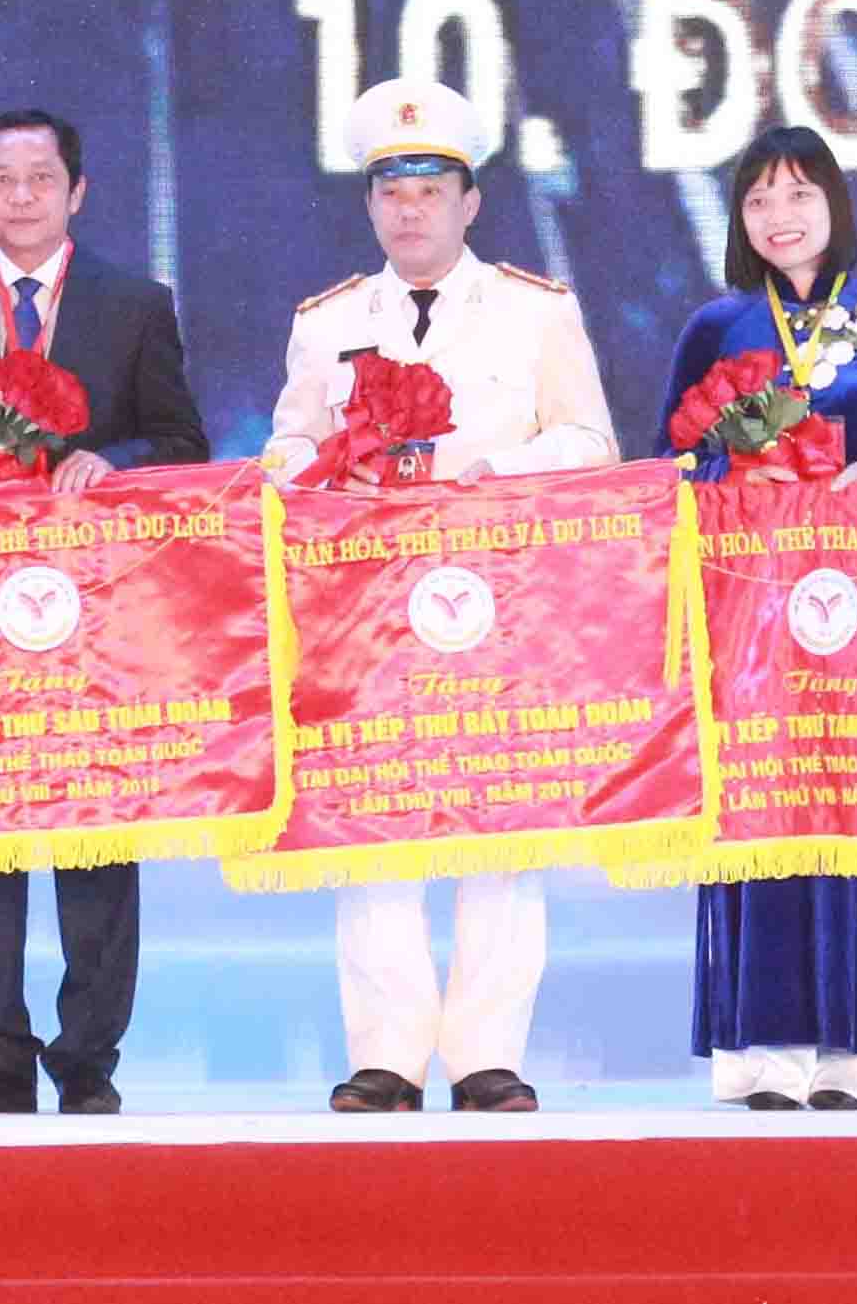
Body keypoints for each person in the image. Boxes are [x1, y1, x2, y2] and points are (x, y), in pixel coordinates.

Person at [259, 75, 616, 1115]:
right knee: (374, 818)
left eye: (430, 187)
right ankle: (388, 1052)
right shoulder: (328, 323)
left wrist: (488, 476)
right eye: (389, 189)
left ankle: (488, 1053)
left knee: (500, 821)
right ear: (370, 204)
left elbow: (591, 441)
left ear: (470, 201)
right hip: (367, 604)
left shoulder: (535, 312)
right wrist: (323, 460)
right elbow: (285, 443)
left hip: (497, 597)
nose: (408, 207)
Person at [0, 106, 203, 1116]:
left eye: (40, 177)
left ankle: (88, 1058)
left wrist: (114, 462)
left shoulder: (133, 302)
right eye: (1, 178)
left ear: (78, 191)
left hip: (99, 615)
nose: (20, 195)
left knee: (95, 828)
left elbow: (182, 442)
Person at [659, 126, 857, 1113]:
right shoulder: (717, 326)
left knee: (856, 806)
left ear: (834, 203)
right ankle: (763, 1048)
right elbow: (670, 463)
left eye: (798, 194)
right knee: (756, 805)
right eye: (758, 201)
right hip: (746, 606)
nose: (780, 216)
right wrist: (734, 471)